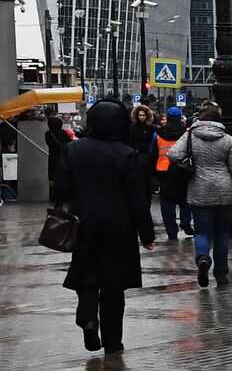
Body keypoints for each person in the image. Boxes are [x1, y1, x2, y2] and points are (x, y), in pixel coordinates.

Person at [52, 99, 156, 353]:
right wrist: (147, 234)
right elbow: (137, 197)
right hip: (119, 226)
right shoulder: (126, 153)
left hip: (83, 221)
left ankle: (88, 317)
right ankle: (112, 342)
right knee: (113, 284)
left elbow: (62, 188)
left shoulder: (72, 150)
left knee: (86, 271)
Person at [171, 106, 232, 288]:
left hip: (199, 188)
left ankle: (203, 259)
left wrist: (189, 164)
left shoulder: (191, 136)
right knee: (222, 233)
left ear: (200, 117)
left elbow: (173, 154)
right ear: (219, 119)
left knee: (202, 231)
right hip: (225, 191)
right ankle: (221, 274)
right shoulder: (227, 139)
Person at [153, 106, 194, 240]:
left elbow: (152, 153)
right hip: (182, 169)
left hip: (163, 170)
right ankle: (186, 221)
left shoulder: (158, 133)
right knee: (185, 197)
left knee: (166, 200)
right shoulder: (187, 133)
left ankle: (171, 230)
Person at [128, 104, 158, 191]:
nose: (142, 117)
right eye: (140, 115)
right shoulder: (133, 128)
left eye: (144, 115)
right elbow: (131, 142)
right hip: (137, 156)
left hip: (148, 157)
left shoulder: (152, 128)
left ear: (147, 115)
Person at [44, 115, 73, 203]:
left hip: (52, 156)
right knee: (63, 174)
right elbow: (69, 143)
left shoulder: (48, 134)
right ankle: (64, 194)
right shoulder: (63, 133)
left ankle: (53, 195)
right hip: (63, 156)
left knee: (53, 176)